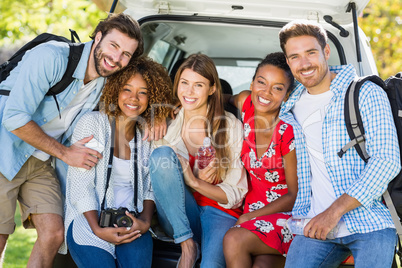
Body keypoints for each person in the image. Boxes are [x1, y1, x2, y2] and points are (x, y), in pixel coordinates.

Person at [0, 13, 143, 267]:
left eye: (126, 54)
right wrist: (65, 153)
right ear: (98, 37)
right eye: (114, 46)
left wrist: (161, 116)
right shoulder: (52, 57)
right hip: (5, 148)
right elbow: (14, 118)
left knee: (54, 234)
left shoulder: (104, 82)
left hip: (40, 159)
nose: (116, 58)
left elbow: (132, 103)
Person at [278, 20, 400, 267]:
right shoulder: (291, 105)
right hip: (312, 224)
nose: (304, 64)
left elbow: (387, 161)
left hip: (370, 223)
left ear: (326, 51)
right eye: (295, 57)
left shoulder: (365, 92)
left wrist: (332, 214)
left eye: (311, 52)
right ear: (288, 62)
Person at [62, 56, 173, 268]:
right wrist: (97, 228)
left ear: (152, 97)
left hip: (132, 222)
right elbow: (80, 185)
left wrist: (145, 222)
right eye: (127, 89)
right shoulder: (93, 124)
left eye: (143, 92)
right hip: (90, 222)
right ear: (115, 89)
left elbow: (150, 187)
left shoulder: (148, 134)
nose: (134, 98)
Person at [149, 53, 248, 268]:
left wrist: (195, 182)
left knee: (211, 265)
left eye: (198, 85)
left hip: (219, 213)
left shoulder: (230, 127)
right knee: (161, 156)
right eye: (184, 83)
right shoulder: (164, 122)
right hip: (180, 215)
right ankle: (187, 245)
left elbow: (236, 194)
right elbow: (159, 179)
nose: (189, 92)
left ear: (212, 89)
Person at [223, 52, 298, 268]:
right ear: (252, 82)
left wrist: (250, 217)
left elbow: (294, 195)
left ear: (287, 94)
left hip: (285, 214)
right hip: (253, 214)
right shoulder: (246, 104)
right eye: (261, 82)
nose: (266, 92)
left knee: (233, 240)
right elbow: (223, 97)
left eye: (277, 88)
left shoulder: (287, 131)